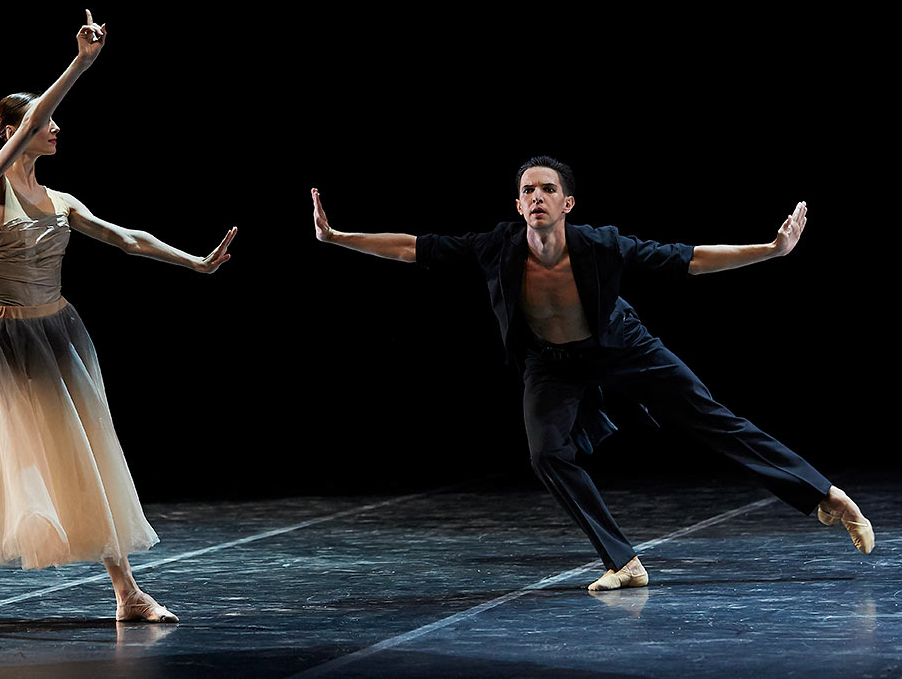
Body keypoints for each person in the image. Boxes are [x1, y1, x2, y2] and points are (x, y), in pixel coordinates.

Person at [309, 155, 873, 591]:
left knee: (707, 416)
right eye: (528, 189)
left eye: (547, 189)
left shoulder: (601, 246)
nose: (536, 197)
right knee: (546, 453)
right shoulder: (495, 248)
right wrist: (337, 238)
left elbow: (690, 258)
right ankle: (624, 563)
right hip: (551, 363)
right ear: (517, 203)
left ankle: (824, 495)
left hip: (619, 344)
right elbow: (412, 247)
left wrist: (772, 250)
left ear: (567, 203)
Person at [0, 10, 237, 628]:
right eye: (42, 120)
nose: (55, 127)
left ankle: (127, 593)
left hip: (57, 334)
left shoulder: (60, 200)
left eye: (52, 117)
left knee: (84, 455)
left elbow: (127, 238)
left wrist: (195, 263)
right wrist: (82, 64)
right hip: (4, 340)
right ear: (15, 129)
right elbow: (39, 114)